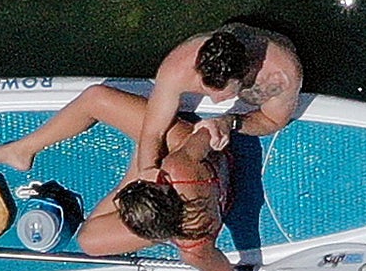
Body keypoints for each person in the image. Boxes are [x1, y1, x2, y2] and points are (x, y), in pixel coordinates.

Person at [0, 87, 243, 271]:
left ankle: (125, 179)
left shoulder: (192, 240)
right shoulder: (193, 237)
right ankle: (23, 150)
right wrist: (223, 123)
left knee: (90, 242)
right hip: (200, 168)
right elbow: (207, 132)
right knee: (96, 99)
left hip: (197, 185)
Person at [125, 21, 306, 180]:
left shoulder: (281, 75)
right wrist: (147, 173)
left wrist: (229, 121)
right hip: (233, 33)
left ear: (247, 72)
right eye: (206, 90)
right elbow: (153, 131)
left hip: (282, 39)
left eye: (223, 94)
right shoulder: (178, 66)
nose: (215, 101)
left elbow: (273, 120)